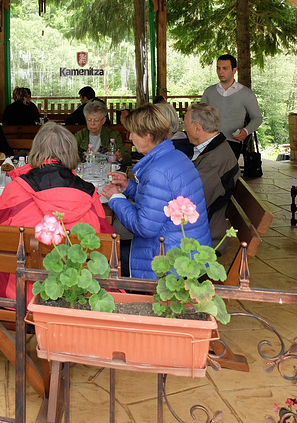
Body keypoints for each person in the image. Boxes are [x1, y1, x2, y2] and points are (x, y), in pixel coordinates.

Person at [0, 121, 114, 298]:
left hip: (20, 294)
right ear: (71, 151)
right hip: (79, 294)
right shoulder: (90, 193)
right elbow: (106, 239)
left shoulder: (17, 188)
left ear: (36, 150)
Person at [100, 104, 211, 279]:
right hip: (187, 249)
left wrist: (115, 198)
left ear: (147, 136)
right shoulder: (175, 156)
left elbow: (144, 227)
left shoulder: (157, 171)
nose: (129, 137)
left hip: (168, 261)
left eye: (133, 133)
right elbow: (159, 202)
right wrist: (128, 187)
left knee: (102, 254)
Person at [184, 103, 240, 254]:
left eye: (186, 125)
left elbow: (191, 201)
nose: (184, 129)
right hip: (199, 227)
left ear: (197, 127)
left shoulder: (215, 160)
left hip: (205, 238)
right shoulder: (210, 149)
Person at [200, 54, 263, 158]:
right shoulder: (209, 92)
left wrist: (246, 131)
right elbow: (200, 116)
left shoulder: (247, 94)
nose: (220, 71)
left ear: (234, 70)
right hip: (209, 141)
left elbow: (257, 118)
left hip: (232, 143)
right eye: (218, 68)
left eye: (225, 68)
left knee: (227, 174)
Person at [74, 100, 131, 166]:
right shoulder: (80, 135)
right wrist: (81, 157)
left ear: (103, 120)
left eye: (96, 120)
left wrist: (121, 158)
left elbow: (128, 158)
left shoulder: (113, 135)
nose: (92, 124)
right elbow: (70, 155)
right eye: (89, 120)